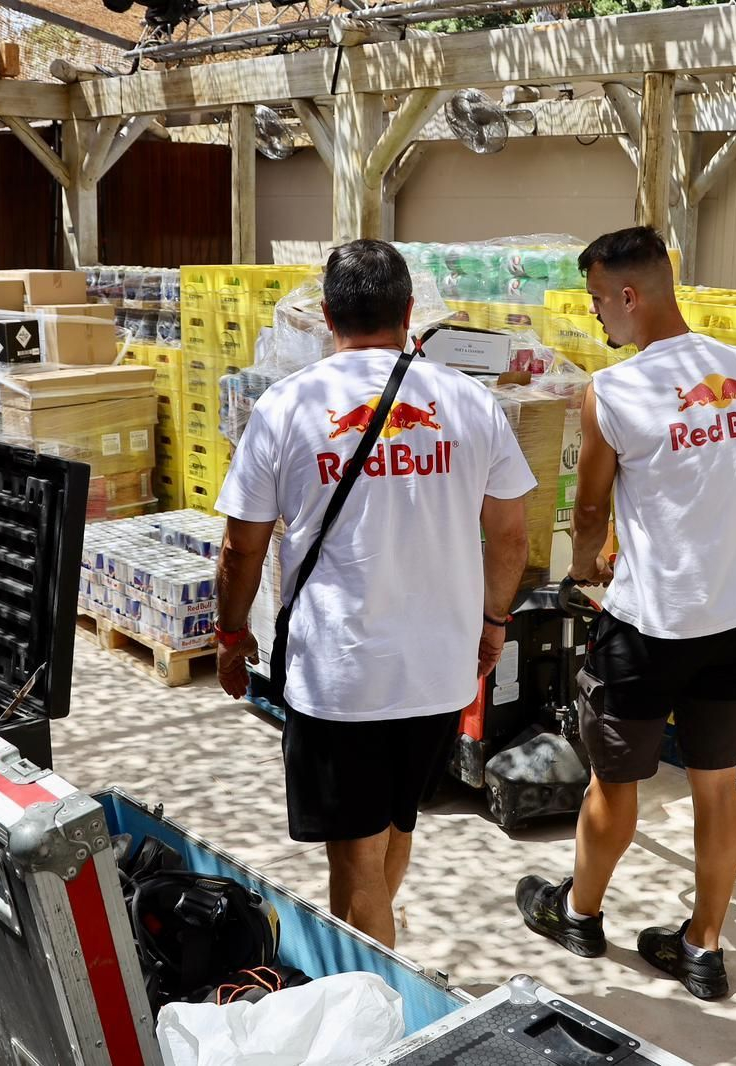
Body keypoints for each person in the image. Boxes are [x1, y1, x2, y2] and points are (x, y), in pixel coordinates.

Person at [212, 239, 536, 948]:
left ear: (327, 315)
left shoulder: (288, 404)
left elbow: (243, 546)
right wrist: (493, 622)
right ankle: (378, 945)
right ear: (410, 313)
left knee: (354, 860)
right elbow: (512, 536)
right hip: (440, 668)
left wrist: (231, 635)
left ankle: (371, 1001)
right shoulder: (469, 401)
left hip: (342, 674)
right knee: (395, 823)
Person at [515, 226, 736, 1000]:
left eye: (599, 301)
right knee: (716, 783)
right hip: (734, 617)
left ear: (629, 296)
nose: (598, 317)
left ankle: (579, 913)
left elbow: (590, 509)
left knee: (614, 784)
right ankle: (703, 947)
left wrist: (585, 566)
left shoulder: (616, 391)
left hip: (650, 627)